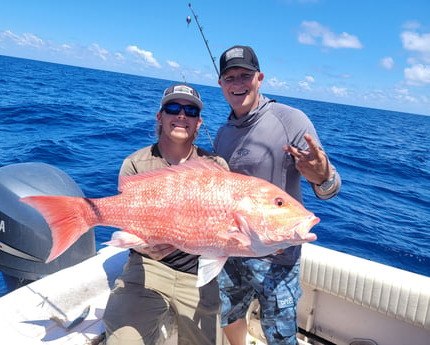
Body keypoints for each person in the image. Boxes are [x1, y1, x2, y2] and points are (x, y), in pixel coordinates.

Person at [214, 45, 342, 345]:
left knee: (280, 334)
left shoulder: (292, 121)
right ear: (220, 84)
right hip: (233, 251)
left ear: (260, 78)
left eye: (245, 76)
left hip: (278, 258)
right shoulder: (222, 133)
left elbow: (331, 189)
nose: (237, 84)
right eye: (229, 78)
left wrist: (322, 177)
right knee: (230, 315)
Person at [103, 83, 228, 345]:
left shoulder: (216, 167)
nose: (181, 115)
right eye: (173, 107)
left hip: (198, 272)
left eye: (190, 111)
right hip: (147, 267)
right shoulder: (137, 163)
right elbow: (128, 218)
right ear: (160, 117)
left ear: (198, 122)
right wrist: (146, 246)